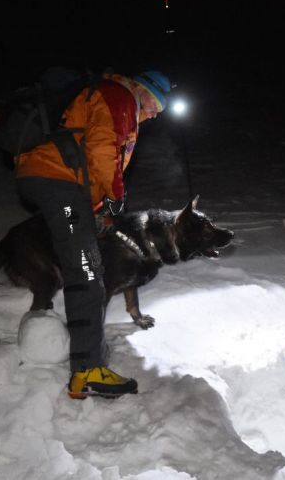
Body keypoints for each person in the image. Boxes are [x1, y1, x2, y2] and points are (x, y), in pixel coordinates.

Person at [14, 69, 172, 399]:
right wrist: (114, 199)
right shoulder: (120, 96)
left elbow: (92, 150)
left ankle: (86, 365)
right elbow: (103, 149)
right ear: (145, 92)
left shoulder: (117, 98)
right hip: (58, 178)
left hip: (56, 179)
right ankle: (86, 370)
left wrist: (98, 208)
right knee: (86, 273)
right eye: (158, 105)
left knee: (88, 268)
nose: (156, 114)